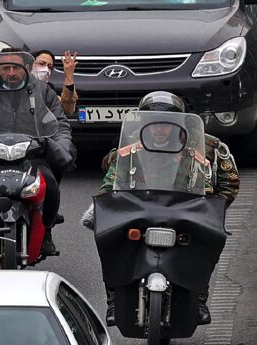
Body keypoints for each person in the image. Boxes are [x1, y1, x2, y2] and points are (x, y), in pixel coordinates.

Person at [88, 91, 239, 327]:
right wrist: (105, 207)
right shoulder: (128, 148)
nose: (159, 130)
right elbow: (110, 182)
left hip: (188, 210)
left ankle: (199, 296)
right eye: (154, 124)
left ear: (179, 123)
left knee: (209, 240)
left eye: (165, 125)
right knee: (110, 238)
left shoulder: (209, 145)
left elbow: (230, 181)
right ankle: (115, 299)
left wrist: (213, 208)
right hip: (138, 209)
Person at [0, 48, 76, 256]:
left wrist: (60, 146)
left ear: (26, 68)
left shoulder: (43, 91)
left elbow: (61, 125)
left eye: (16, 68)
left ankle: (46, 232)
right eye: (6, 68)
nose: (11, 73)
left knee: (51, 185)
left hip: (31, 155)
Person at [32, 50, 78, 115]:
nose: (46, 69)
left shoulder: (49, 91)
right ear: (30, 65)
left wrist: (69, 77)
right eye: (41, 64)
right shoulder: (19, 85)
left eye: (49, 67)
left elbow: (68, 110)